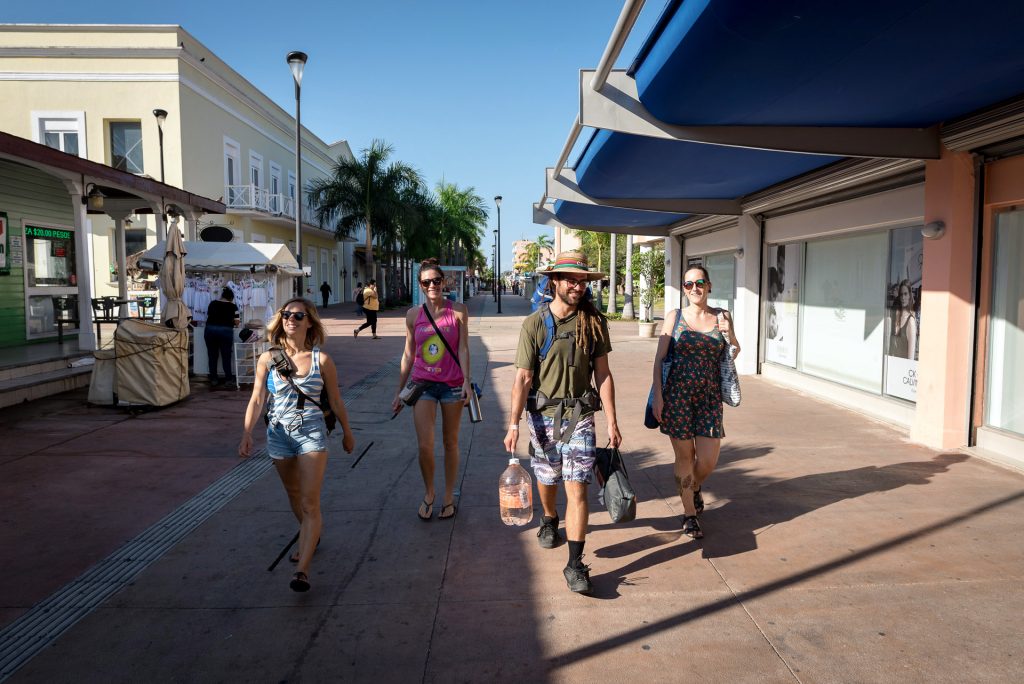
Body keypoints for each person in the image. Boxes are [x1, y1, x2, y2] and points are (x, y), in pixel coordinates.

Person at [504, 250, 621, 595]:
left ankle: (575, 564)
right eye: (571, 279)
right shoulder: (535, 324)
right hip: (542, 417)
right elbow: (523, 377)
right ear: (554, 281)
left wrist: (612, 420)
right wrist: (513, 424)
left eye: (582, 280)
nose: (578, 286)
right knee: (547, 478)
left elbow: (603, 374)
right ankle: (550, 519)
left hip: (581, 415)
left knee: (577, 486)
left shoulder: (593, 322)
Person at [239, 298, 355, 593]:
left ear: (309, 323)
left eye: (298, 315)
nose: (291, 319)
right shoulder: (267, 359)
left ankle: (302, 569)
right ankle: (310, 534)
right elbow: (256, 399)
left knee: (309, 501)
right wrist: (247, 432)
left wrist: (347, 432)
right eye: (286, 314)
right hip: (278, 434)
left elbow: (337, 401)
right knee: (293, 494)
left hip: (312, 433)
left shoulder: (322, 361)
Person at [651, 266, 740, 540]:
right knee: (684, 457)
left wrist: (730, 334)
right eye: (688, 285)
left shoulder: (722, 316)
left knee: (708, 460)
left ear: (709, 285)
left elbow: (732, 353)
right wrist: (658, 395)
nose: (694, 289)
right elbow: (659, 358)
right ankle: (690, 515)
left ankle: (694, 487)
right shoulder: (674, 317)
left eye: (699, 283)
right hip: (677, 396)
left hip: (709, 398)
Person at [392, 258, 471, 521]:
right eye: (427, 282)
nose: (432, 285)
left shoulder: (458, 311)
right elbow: (407, 354)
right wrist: (399, 391)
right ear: (421, 285)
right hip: (422, 385)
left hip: (451, 386)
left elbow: (462, 348)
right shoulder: (413, 315)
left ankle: (448, 496)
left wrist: (467, 382)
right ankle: (429, 492)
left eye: (436, 280)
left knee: (450, 442)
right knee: (425, 445)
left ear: (444, 282)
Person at [205, 286, 239, 389]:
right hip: (225, 331)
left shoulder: (212, 303)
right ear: (231, 298)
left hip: (210, 330)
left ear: (222, 296)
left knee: (212, 355)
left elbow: (209, 315)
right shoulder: (233, 307)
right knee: (226, 356)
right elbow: (237, 322)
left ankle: (213, 379)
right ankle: (228, 379)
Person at [889, 279, 918, 360]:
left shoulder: (911, 321)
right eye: (901, 294)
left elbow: (911, 358)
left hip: (903, 368)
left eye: (905, 294)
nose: (903, 297)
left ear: (909, 295)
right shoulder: (897, 316)